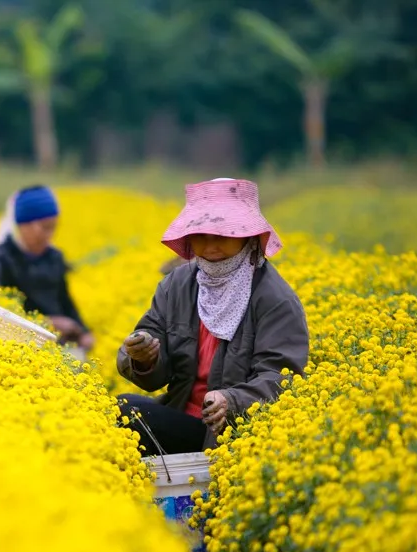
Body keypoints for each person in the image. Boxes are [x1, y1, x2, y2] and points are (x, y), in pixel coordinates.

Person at [117, 177, 309, 454]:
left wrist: (232, 400)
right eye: (200, 236)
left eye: (222, 235)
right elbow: (153, 358)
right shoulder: (178, 285)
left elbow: (281, 377)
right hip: (182, 415)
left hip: (232, 434)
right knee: (118, 411)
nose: (210, 247)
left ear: (248, 235)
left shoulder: (275, 300)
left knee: (130, 412)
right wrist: (145, 358)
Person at [0, 185, 95, 353]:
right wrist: (47, 322)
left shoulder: (54, 257)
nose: (49, 234)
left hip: (60, 345)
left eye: (53, 227)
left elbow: (64, 300)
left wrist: (84, 332)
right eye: (45, 227)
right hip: (18, 349)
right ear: (23, 225)